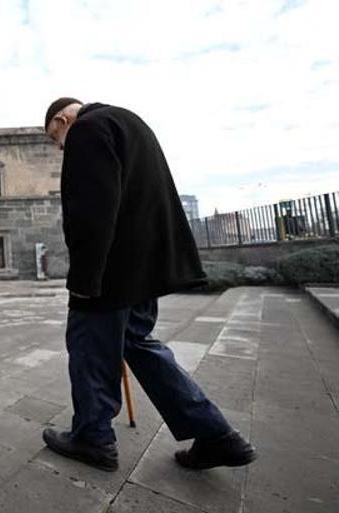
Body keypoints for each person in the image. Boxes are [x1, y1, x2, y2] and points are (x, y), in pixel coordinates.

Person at [41, 98, 257, 472]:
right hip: (144, 267)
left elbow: (93, 209)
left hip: (110, 270)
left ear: (63, 119)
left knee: (89, 347)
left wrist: (85, 279)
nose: (60, 147)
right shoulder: (130, 121)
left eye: (56, 138)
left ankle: (93, 437)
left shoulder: (88, 129)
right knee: (137, 343)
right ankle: (217, 435)